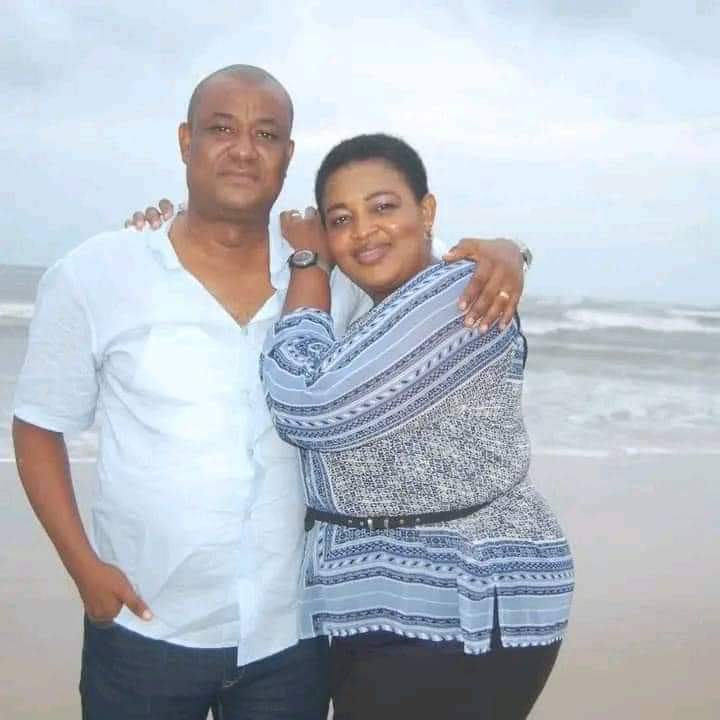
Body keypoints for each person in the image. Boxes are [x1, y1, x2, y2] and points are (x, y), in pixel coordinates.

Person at [12, 66, 528, 720]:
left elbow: (437, 272)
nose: (244, 149)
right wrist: (84, 569)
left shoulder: (337, 273)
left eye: (266, 134)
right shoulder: (97, 273)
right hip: (145, 623)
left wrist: (510, 251)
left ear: (287, 154)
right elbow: (38, 425)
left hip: (294, 636)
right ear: (186, 141)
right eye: (221, 129)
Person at [260, 133, 574, 719]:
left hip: (460, 600)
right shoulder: (392, 304)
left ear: (426, 212)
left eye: (383, 207)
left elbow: (307, 406)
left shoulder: (458, 294)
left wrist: (309, 266)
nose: (363, 232)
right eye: (340, 219)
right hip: (404, 600)